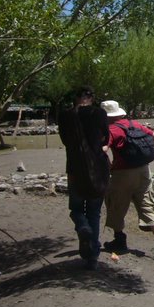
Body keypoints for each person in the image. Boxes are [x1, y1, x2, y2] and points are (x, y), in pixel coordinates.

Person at [100, 100, 154, 264]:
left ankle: (119, 240)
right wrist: (146, 155)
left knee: (116, 204)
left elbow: (103, 149)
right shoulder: (134, 124)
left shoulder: (111, 129)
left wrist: (108, 164)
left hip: (122, 173)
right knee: (147, 204)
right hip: (144, 170)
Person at [57, 86, 110, 270]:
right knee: (94, 212)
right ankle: (92, 258)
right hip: (97, 170)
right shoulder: (99, 113)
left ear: (76, 98)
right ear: (91, 97)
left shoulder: (65, 116)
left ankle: (82, 227)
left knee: (76, 209)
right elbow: (105, 138)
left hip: (74, 169)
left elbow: (65, 141)